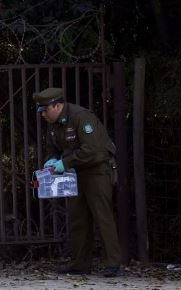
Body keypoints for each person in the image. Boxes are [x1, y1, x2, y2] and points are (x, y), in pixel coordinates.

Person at [33, 87, 121, 277]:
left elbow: (93, 150)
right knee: (78, 218)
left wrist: (64, 163)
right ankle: (80, 264)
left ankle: (112, 263)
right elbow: (53, 147)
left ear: (57, 105)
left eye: (45, 110)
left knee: (102, 216)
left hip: (96, 171)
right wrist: (52, 160)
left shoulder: (81, 117)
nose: (43, 115)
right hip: (73, 174)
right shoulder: (54, 123)